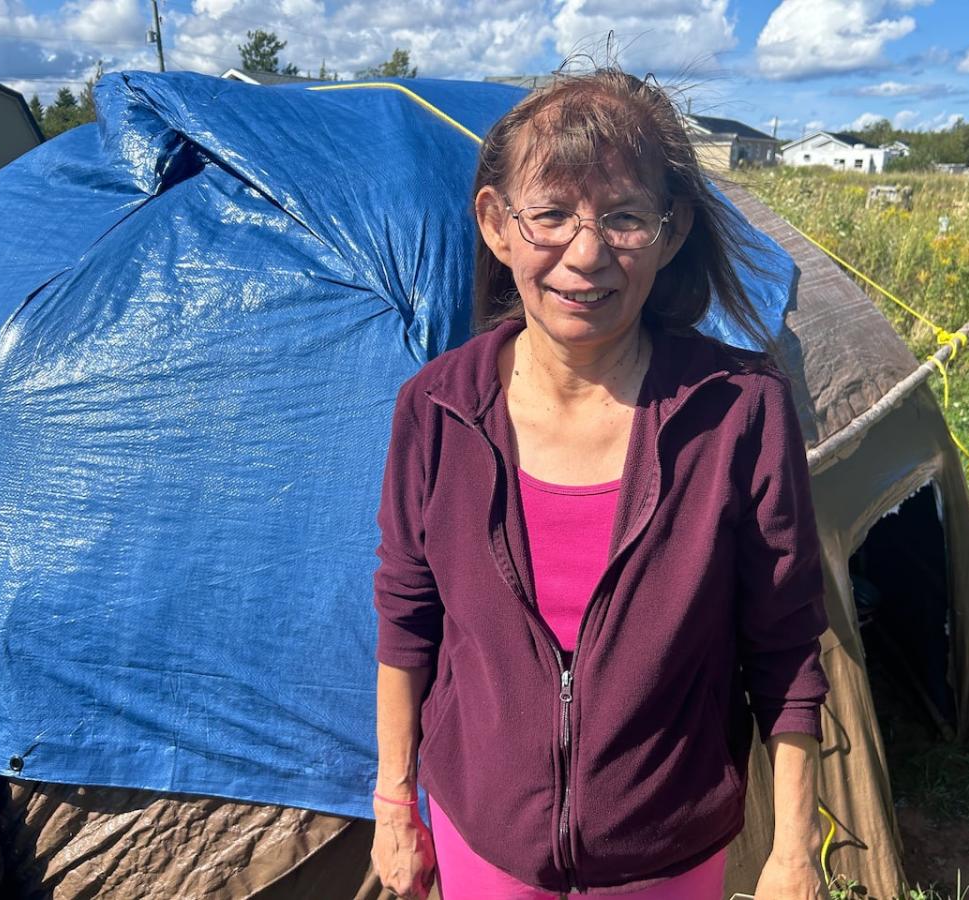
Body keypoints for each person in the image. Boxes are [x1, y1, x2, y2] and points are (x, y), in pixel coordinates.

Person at [370, 68, 830, 900]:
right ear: (496, 226)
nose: (585, 253)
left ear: (672, 229)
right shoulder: (436, 409)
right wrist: (395, 800)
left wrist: (794, 851)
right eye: (549, 214)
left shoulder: (739, 413)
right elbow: (408, 620)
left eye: (622, 216)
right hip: (486, 842)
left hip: (668, 852)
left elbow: (786, 647)